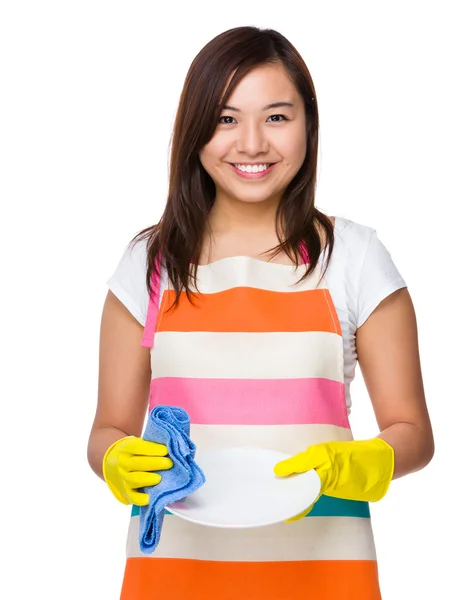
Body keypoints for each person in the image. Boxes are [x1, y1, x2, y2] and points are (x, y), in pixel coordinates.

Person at [87, 25, 434, 600]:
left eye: (277, 116)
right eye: (226, 119)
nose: (252, 144)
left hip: (326, 566)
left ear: (308, 126)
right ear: (194, 131)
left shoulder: (355, 257)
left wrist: (373, 459)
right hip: (176, 566)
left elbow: (414, 432)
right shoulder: (151, 263)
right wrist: (118, 458)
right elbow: (106, 431)